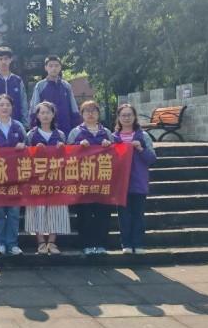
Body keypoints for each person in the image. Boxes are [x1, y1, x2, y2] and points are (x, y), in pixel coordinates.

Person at [67, 100, 115, 256]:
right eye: (87, 111)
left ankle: (101, 244)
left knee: (103, 213)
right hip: (83, 180)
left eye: (94, 111)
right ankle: (86, 244)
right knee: (84, 214)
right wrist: (78, 145)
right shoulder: (75, 132)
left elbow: (118, 154)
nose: (90, 114)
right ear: (82, 114)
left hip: (103, 179)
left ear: (99, 114)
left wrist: (110, 146)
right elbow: (66, 155)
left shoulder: (107, 132)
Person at [0, 94, 27, 256]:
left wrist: (23, 145)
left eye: (8, 104)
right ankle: (0, 243)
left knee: (14, 212)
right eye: (1, 105)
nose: (5, 107)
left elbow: (28, 146)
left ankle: (12, 243)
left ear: (12, 107)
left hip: (15, 175)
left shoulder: (18, 126)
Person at [26, 101, 72, 255]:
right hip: (37, 179)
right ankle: (40, 242)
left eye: (48, 112)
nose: (45, 115)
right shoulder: (31, 135)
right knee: (37, 209)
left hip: (56, 178)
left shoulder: (61, 135)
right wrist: (33, 150)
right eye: (42, 113)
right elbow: (23, 157)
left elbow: (69, 158)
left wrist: (62, 150)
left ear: (53, 115)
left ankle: (52, 242)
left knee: (56, 210)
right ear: (37, 116)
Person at [113, 103, 157, 254]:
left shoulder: (143, 136)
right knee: (123, 216)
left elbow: (152, 159)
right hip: (120, 183)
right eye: (123, 115)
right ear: (118, 118)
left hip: (138, 181)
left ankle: (138, 243)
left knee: (138, 215)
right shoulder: (113, 138)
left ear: (134, 117)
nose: (126, 118)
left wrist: (140, 149)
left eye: (129, 115)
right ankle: (126, 243)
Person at [29, 55, 81, 136]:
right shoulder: (40, 86)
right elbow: (34, 109)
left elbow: (74, 109)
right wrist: (34, 127)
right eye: (51, 66)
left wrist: (76, 125)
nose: (54, 68)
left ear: (60, 67)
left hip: (65, 127)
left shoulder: (66, 86)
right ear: (46, 68)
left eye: (56, 66)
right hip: (46, 130)